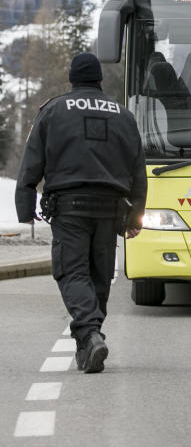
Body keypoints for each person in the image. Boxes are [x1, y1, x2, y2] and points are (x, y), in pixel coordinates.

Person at [15, 53, 147, 373]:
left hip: (69, 208)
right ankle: (91, 338)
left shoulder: (53, 111)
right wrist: (135, 216)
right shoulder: (123, 115)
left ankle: (88, 334)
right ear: (100, 80)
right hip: (109, 209)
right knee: (100, 275)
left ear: (72, 80)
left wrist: (25, 205)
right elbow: (138, 170)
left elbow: (32, 162)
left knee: (72, 272)